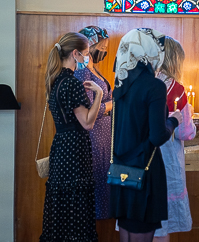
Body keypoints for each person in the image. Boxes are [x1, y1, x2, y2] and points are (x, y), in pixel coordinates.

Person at [110, 28, 183, 242]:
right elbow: (158, 136)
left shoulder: (120, 85)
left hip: (122, 167)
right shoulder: (154, 86)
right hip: (145, 167)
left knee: (126, 226)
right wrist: (174, 120)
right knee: (142, 228)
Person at [41, 32, 103, 241]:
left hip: (61, 147)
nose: (88, 58)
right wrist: (99, 96)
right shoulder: (72, 83)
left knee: (62, 207)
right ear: (75, 54)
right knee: (76, 206)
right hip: (74, 150)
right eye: (86, 54)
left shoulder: (56, 81)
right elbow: (87, 122)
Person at [153, 36, 196, 242]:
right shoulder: (176, 90)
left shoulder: (142, 82)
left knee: (143, 223)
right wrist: (191, 120)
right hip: (166, 158)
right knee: (163, 223)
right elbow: (185, 132)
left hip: (140, 156)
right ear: (174, 60)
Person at [74, 26, 112, 220]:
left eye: (106, 48)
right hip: (94, 135)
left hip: (104, 135)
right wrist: (110, 105)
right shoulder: (82, 72)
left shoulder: (93, 69)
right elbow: (88, 111)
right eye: (101, 47)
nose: (103, 51)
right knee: (95, 184)